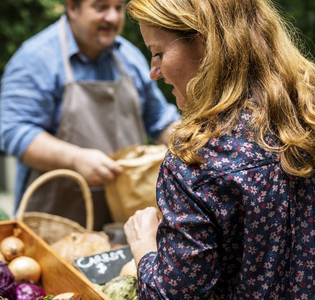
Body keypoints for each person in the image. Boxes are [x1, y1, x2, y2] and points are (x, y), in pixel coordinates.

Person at [123, 0, 315, 298]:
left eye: (159, 53)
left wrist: (143, 247)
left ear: (205, 42)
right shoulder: (307, 113)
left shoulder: (196, 159)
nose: (154, 72)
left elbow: (172, 295)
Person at [0, 0, 181, 231]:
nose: (113, 18)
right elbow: (16, 133)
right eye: (101, 7)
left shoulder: (129, 57)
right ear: (73, 8)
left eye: (117, 8)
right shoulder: (35, 59)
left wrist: (189, 139)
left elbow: (158, 119)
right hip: (56, 225)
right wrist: (76, 159)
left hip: (122, 224)